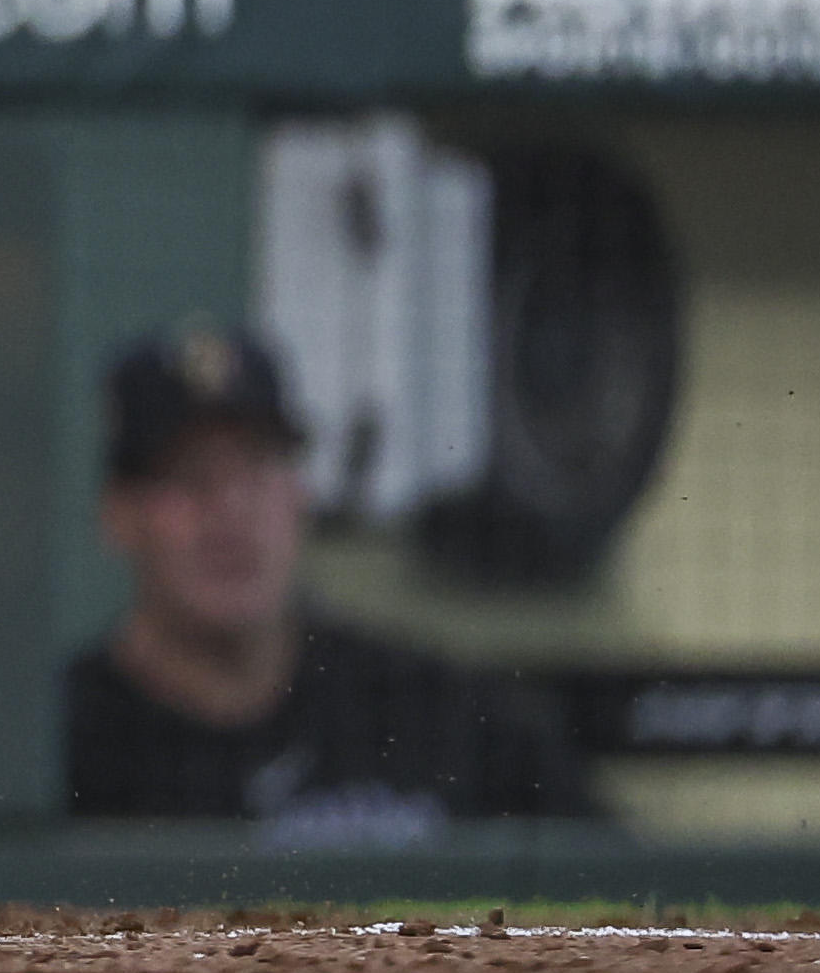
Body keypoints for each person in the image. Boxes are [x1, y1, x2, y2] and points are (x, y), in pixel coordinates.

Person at [65, 325, 599, 832]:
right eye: (191, 477)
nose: (230, 511)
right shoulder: (64, 745)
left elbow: (621, 889)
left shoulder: (431, 713)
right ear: (120, 514)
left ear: (301, 492)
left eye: (257, 468)